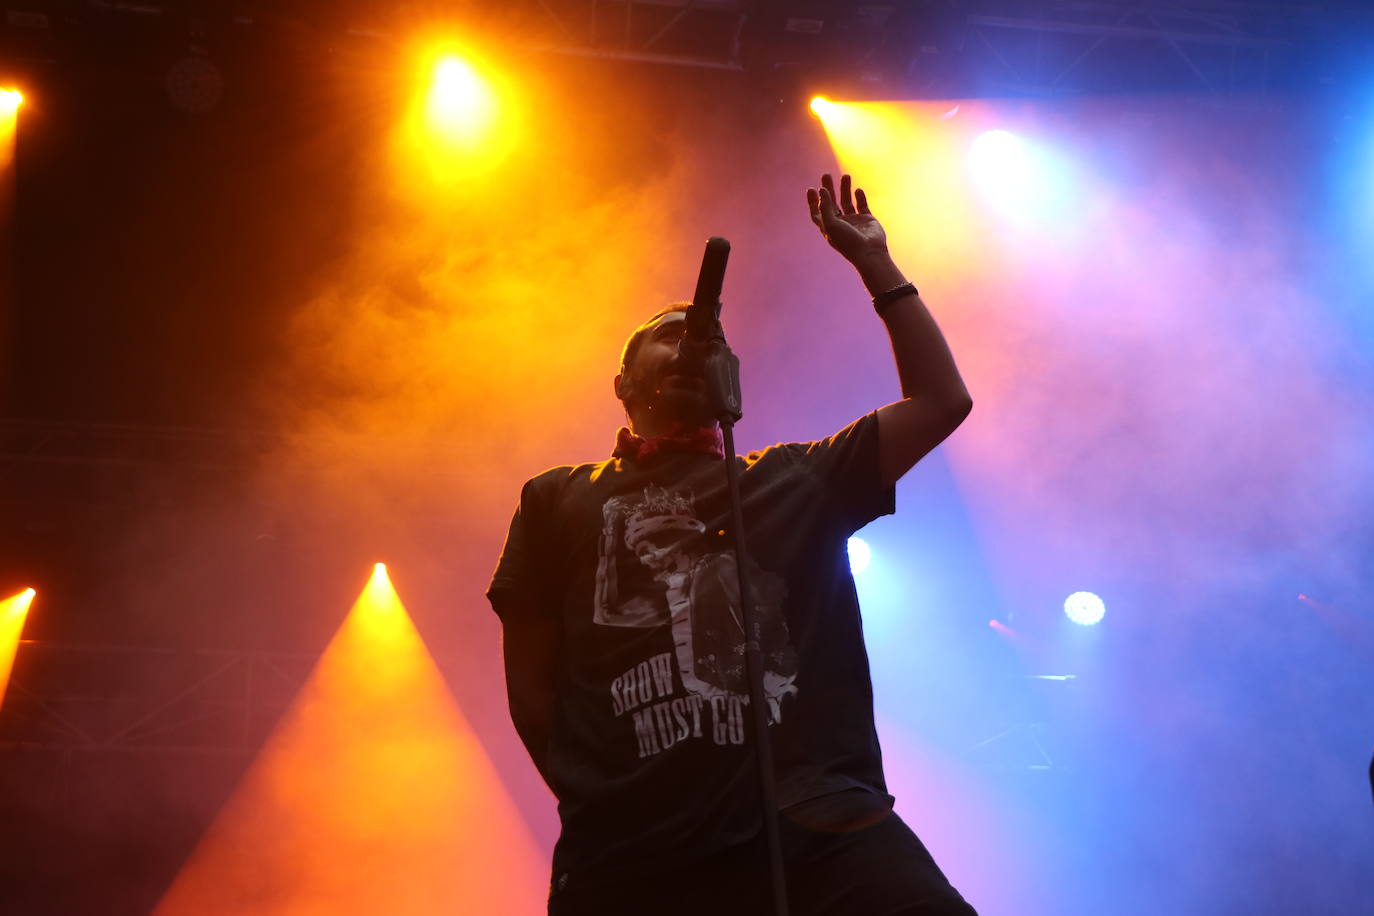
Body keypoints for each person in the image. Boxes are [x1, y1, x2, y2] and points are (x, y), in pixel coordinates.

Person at [487, 174, 978, 915]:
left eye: (707, 335)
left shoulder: (792, 476)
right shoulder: (558, 496)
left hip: (817, 823)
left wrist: (877, 265)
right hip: (636, 848)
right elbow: (531, 685)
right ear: (622, 382)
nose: (691, 341)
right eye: (667, 334)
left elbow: (942, 402)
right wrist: (600, 795)